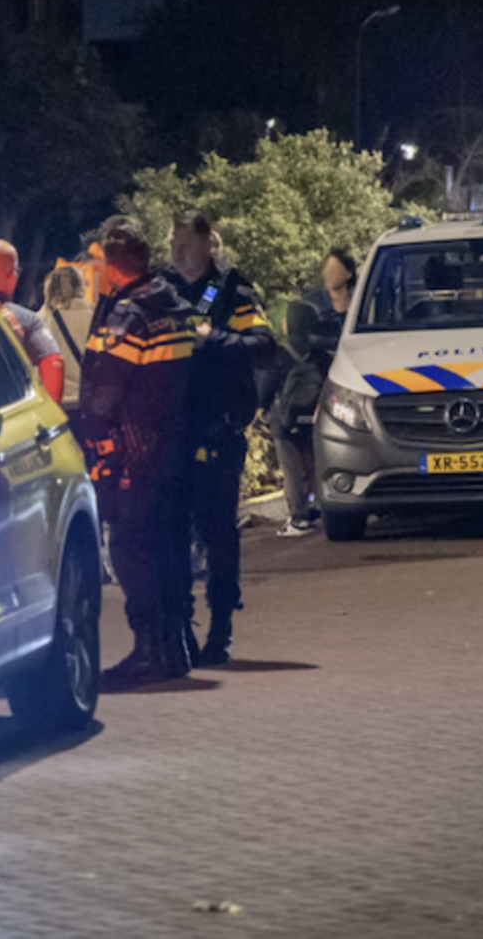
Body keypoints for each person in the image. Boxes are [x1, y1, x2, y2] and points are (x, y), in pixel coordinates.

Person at [81, 216, 197, 686]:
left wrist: (93, 438)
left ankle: (149, 650)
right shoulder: (173, 305)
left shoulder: (129, 316)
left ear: (112, 266)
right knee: (170, 544)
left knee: (131, 547)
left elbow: (104, 393)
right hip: (177, 446)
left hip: (135, 452)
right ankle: (176, 645)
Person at [161, 209, 276, 666]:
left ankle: (221, 628)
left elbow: (264, 347)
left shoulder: (232, 292)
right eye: (175, 245)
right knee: (170, 534)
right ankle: (180, 629)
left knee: (218, 536)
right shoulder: (162, 289)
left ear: (210, 245)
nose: (180, 254)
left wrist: (216, 340)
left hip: (218, 431)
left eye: (188, 245)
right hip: (170, 433)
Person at [272, 248, 356, 537]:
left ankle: (298, 517)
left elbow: (266, 384)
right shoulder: (321, 353)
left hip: (285, 420)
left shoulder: (280, 352)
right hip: (315, 416)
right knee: (314, 462)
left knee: (292, 469)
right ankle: (319, 505)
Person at [0, 239, 65, 405]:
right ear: (13, 277)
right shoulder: (26, 319)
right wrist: (48, 411)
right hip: (11, 411)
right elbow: (54, 363)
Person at [42, 264, 94, 440]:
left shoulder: (40, 321)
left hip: (55, 407)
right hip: (88, 405)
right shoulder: (95, 317)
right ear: (80, 286)